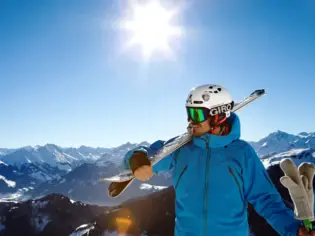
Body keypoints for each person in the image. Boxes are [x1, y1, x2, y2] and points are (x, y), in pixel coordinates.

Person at [123, 84, 314, 236]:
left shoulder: (242, 153)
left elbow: (265, 199)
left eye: (196, 114)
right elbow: (145, 155)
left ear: (219, 116)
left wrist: (292, 229)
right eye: (189, 113)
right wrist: (137, 158)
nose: (190, 121)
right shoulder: (180, 148)